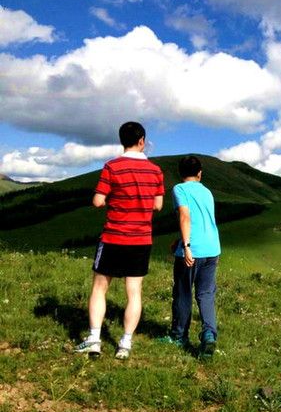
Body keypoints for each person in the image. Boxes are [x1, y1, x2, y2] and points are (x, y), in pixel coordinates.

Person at [75, 121, 164, 360]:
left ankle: (94, 339)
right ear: (142, 141)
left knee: (99, 288)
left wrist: (109, 199)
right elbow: (158, 205)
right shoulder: (156, 171)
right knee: (134, 292)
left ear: (121, 140)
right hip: (141, 239)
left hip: (114, 236)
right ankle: (124, 344)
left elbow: (97, 201)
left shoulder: (112, 167)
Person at [162, 155, 221, 358]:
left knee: (183, 293)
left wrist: (186, 245)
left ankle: (179, 336)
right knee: (206, 294)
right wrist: (180, 240)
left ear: (180, 173)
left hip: (192, 250)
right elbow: (201, 220)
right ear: (199, 173)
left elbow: (186, 216)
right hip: (212, 248)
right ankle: (209, 335)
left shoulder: (180, 189)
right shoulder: (207, 192)